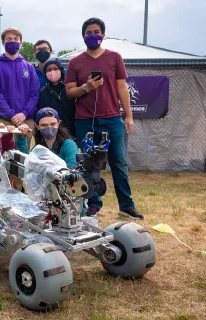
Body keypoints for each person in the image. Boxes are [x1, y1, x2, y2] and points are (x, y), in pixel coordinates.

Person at [65, 17, 143, 220]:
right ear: (83, 36)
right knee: (90, 164)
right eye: (89, 32)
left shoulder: (115, 58)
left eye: (96, 32)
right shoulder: (75, 62)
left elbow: (122, 88)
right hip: (85, 120)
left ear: (103, 35)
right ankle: (93, 203)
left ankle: (126, 205)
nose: (93, 35)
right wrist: (87, 87)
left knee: (118, 162)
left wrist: (129, 116)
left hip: (111, 119)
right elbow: (69, 92)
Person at [0, 27, 39, 151]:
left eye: (16, 39)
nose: (12, 41)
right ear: (3, 43)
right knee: (4, 157)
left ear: (21, 43)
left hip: (27, 120)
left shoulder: (29, 67)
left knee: (25, 156)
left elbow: (34, 94)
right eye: (9, 39)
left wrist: (24, 113)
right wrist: (12, 115)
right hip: (4, 121)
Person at [37, 58, 76, 136]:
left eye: (55, 69)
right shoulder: (43, 92)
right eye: (49, 70)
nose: (52, 72)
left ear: (61, 70)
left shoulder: (69, 90)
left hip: (71, 130)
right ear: (45, 73)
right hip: (52, 131)